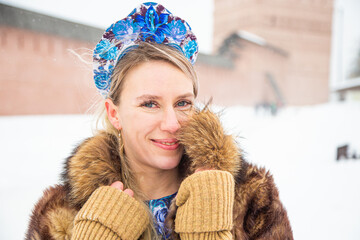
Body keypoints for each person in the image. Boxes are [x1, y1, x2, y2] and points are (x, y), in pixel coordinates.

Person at [26, 2, 293, 240]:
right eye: (150, 104)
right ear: (114, 113)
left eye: (183, 103)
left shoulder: (251, 197)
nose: (172, 124)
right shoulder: (61, 213)